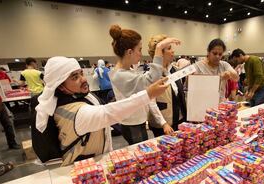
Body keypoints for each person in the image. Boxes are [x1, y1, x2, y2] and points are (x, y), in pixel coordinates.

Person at [35, 56, 169, 166]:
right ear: (61, 87)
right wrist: (148, 94)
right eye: (74, 77)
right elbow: (107, 113)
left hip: (97, 162)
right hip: (84, 171)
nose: (83, 79)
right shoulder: (73, 112)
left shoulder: (82, 94)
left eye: (81, 73)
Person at [109, 24, 180, 145]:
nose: (141, 54)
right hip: (133, 124)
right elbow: (151, 80)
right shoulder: (120, 75)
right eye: (139, 50)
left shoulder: (127, 71)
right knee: (142, 156)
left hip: (137, 122)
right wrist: (158, 48)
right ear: (130, 52)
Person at [147, 34, 187, 137]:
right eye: (169, 48)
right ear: (160, 53)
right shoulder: (151, 75)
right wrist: (163, 123)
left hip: (179, 118)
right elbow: (151, 102)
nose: (173, 51)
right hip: (164, 124)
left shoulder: (173, 70)